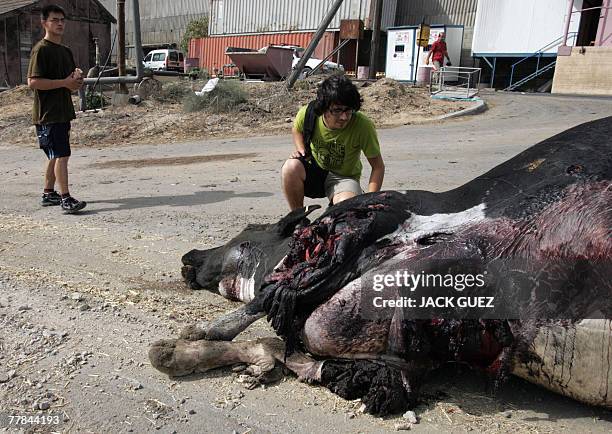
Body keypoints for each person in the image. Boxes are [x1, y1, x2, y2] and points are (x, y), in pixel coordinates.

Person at [282, 75, 385, 211]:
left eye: (348, 110)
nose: (344, 117)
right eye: (337, 110)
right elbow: (296, 129)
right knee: (290, 167)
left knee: (346, 207)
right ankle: (297, 217)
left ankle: (353, 198)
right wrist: (301, 149)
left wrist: (370, 199)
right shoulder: (308, 113)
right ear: (324, 108)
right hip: (315, 172)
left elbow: (378, 167)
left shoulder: (363, 125)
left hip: (344, 178)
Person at [27, 4, 86, 214]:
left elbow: (70, 80)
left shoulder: (65, 50)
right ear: (44, 23)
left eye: (62, 20)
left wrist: (76, 79)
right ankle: (66, 197)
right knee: (62, 154)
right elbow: (33, 82)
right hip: (48, 113)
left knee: (55, 153)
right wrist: (63, 82)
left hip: (63, 111)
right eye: (54, 20)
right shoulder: (41, 50)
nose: (60, 23)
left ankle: (48, 193)